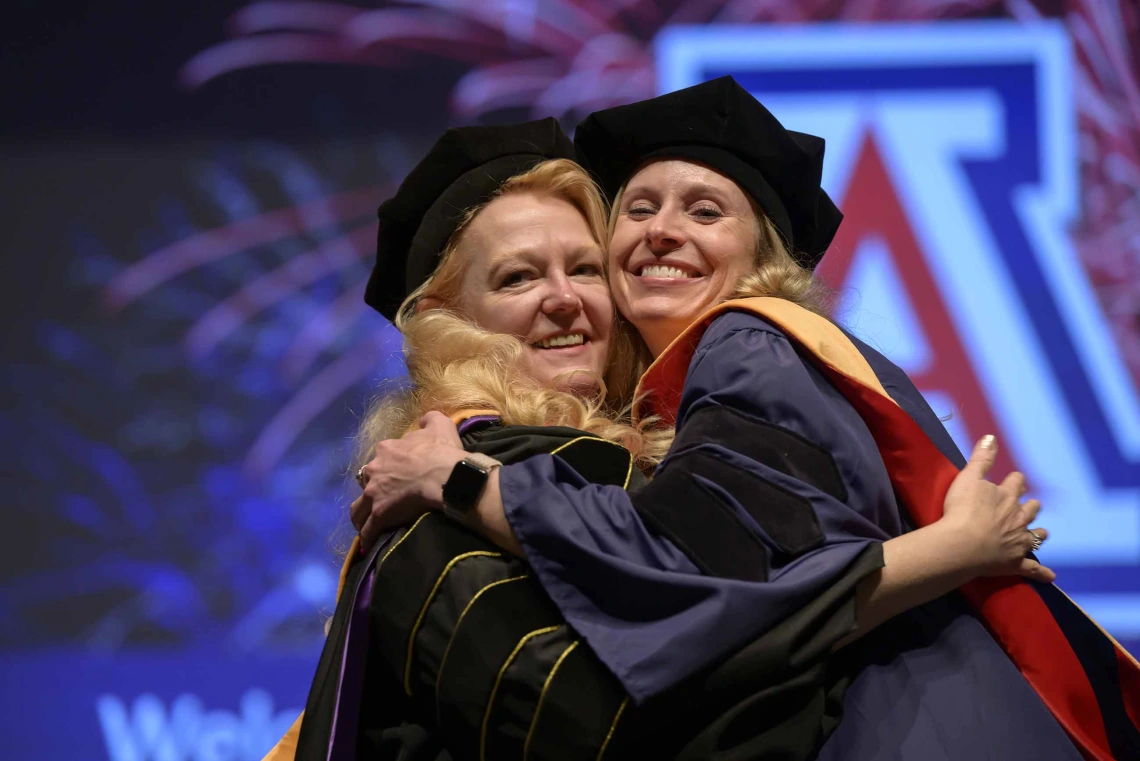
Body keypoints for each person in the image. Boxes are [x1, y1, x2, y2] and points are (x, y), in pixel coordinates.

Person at [358, 78, 1140, 759]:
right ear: (441, 318)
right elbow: (625, 685)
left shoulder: (745, 348)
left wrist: (458, 481)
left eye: (705, 210)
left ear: (762, 258)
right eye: (519, 276)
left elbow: (692, 584)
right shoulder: (431, 510)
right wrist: (945, 551)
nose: (663, 231)